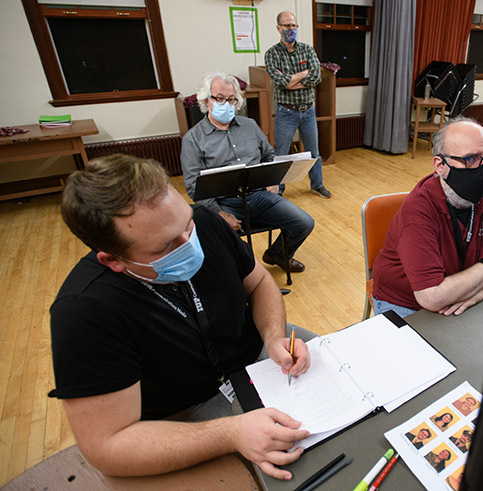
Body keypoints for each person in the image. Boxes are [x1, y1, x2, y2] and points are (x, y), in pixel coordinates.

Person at [49, 154, 315, 481]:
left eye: (186, 225)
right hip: (186, 409)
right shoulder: (84, 311)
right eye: (166, 246)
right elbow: (107, 446)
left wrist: (273, 336)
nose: (189, 243)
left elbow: (259, 281)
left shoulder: (204, 221)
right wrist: (230, 433)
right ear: (113, 260)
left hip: (258, 358)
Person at [372, 117, 483, 318]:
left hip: (469, 291)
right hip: (409, 303)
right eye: (471, 159)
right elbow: (431, 297)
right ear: (440, 165)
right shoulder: (418, 210)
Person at [181, 72, 314, 274]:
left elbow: (269, 155)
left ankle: (278, 254)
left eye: (231, 99)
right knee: (226, 246)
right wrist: (219, 214)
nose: (226, 103)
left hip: (260, 195)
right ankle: (245, 279)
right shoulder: (193, 139)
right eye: (219, 98)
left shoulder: (250, 125)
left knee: (304, 223)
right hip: (224, 203)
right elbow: (193, 185)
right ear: (207, 100)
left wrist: (275, 182)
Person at [264, 11, 331, 199]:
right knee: (281, 155)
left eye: (293, 25)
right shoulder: (271, 54)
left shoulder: (307, 50)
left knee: (314, 153)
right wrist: (303, 74)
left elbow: (316, 77)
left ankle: (317, 185)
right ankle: (280, 190)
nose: (291, 29)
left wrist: (290, 80)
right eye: (286, 26)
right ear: (278, 28)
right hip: (286, 112)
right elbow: (280, 82)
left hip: (308, 110)